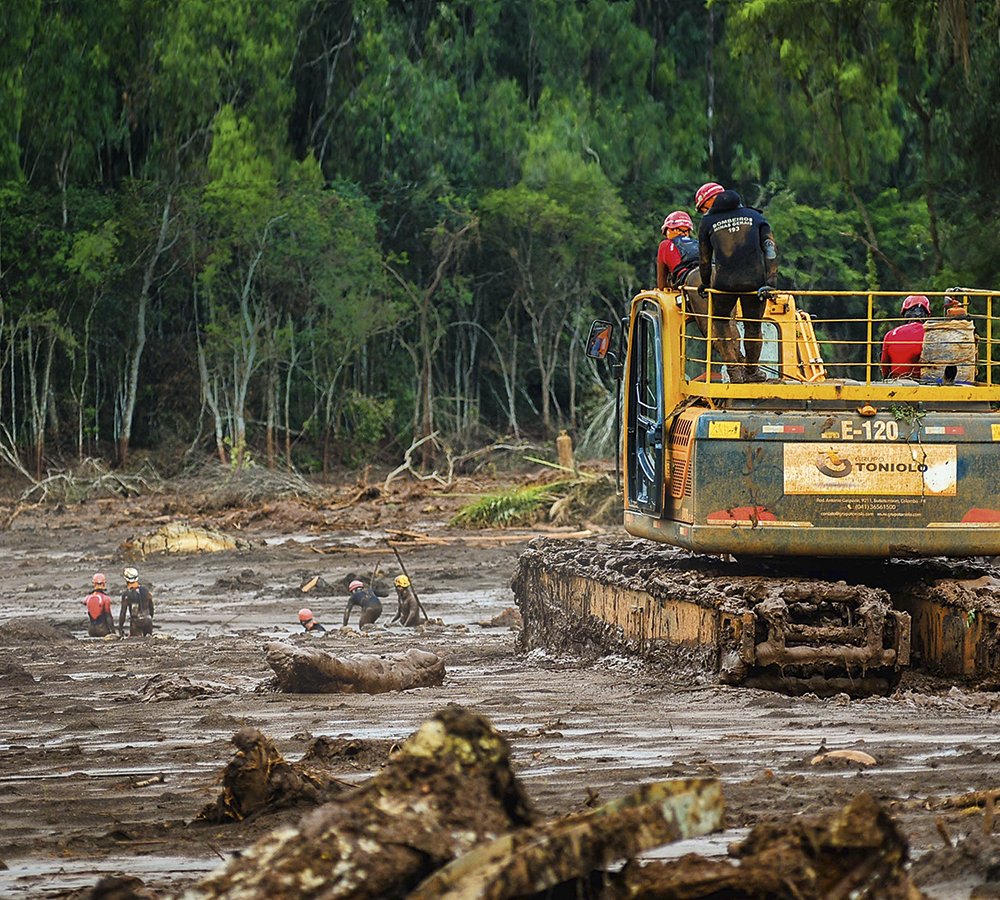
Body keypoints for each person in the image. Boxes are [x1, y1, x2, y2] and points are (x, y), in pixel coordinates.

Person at [696, 184, 778, 383]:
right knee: (753, 326)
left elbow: (705, 260)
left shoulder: (708, 222)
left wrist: (705, 283)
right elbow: (770, 249)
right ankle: (752, 371)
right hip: (755, 282)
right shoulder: (756, 217)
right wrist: (771, 282)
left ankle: (734, 370)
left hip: (724, 284)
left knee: (721, 322)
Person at [881, 294, 931, 379]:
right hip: (927, 383)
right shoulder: (931, 334)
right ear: (926, 315)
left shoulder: (890, 334)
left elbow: (884, 365)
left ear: (905, 314)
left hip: (897, 383)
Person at [656, 211, 699, 289]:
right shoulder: (697, 243)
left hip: (687, 280)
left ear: (669, 229)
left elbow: (661, 284)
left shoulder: (665, 244)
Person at [119, 567, 154, 637]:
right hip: (148, 620)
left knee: (136, 641)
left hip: (136, 622)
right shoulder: (146, 591)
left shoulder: (126, 594)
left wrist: (120, 628)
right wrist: (150, 618)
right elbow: (151, 607)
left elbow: (123, 613)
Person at [83, 573, 115, 638]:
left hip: (91, 630)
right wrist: (113, 632)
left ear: (94, 584)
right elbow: (109, 617)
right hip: (102, 629)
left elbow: (84, 602)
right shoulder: (105, 599)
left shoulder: (87, 598)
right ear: (104, 584)